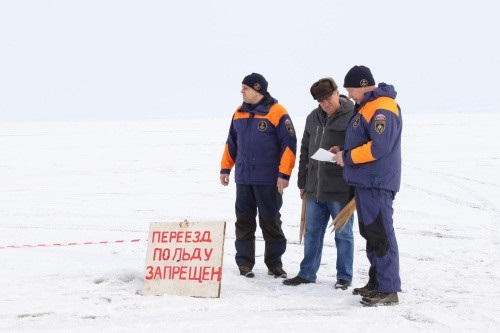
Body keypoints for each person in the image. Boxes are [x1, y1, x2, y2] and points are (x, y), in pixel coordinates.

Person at [332, 65, 402, 306]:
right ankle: (377, 282)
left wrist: (348, 158)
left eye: (351, 90)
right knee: (371, 234)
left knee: (381, 234)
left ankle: (388, 289)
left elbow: (380, 147)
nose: (349, 96)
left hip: (377, 182)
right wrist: (343, 152)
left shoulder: (383, 107)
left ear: (363, 85)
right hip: (365, 182)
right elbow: (364, 141)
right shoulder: (366, 107)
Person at [220, 73, 297, 279]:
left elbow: (289, 145)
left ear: (257, 89)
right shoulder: (239, 112)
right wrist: (225, 168)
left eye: (245, 88)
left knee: (270, 221)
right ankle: (244, 263)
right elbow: (231, 143)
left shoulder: (278, 112)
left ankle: (274, 263)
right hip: (244, 179)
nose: (241, 91)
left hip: (268, 180)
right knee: (243, 221)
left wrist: (284, 174)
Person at [283, 77, 355, 290]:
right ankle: (307, 274)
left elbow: (358, 149)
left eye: (328, 98)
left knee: (344, 234)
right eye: (320, 101)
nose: (326, 104)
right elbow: (305, 150)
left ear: (337, 92)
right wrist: (302, 183)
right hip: (314, 186)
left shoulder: (353, 116)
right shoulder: (312, 118)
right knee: (312, 232)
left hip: (341, 188)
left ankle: (344, 276)